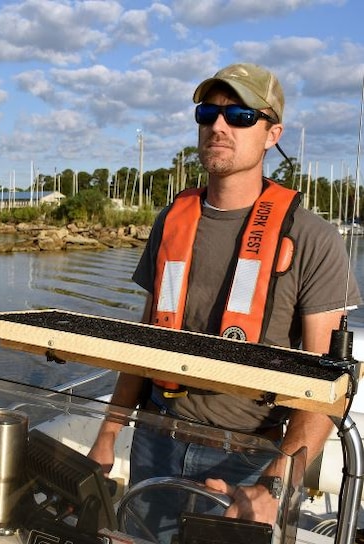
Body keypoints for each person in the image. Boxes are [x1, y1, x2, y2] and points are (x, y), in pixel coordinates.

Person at [88, 63, 362, 539]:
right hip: (157, 434)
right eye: (207, 113)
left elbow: (328, 383)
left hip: (245, 457)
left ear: (272, 132)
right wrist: (108, 434)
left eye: (239, 114)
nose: (218, 125)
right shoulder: (171, 220)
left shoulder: (312, 237)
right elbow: (145, 339)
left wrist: (276, 487)